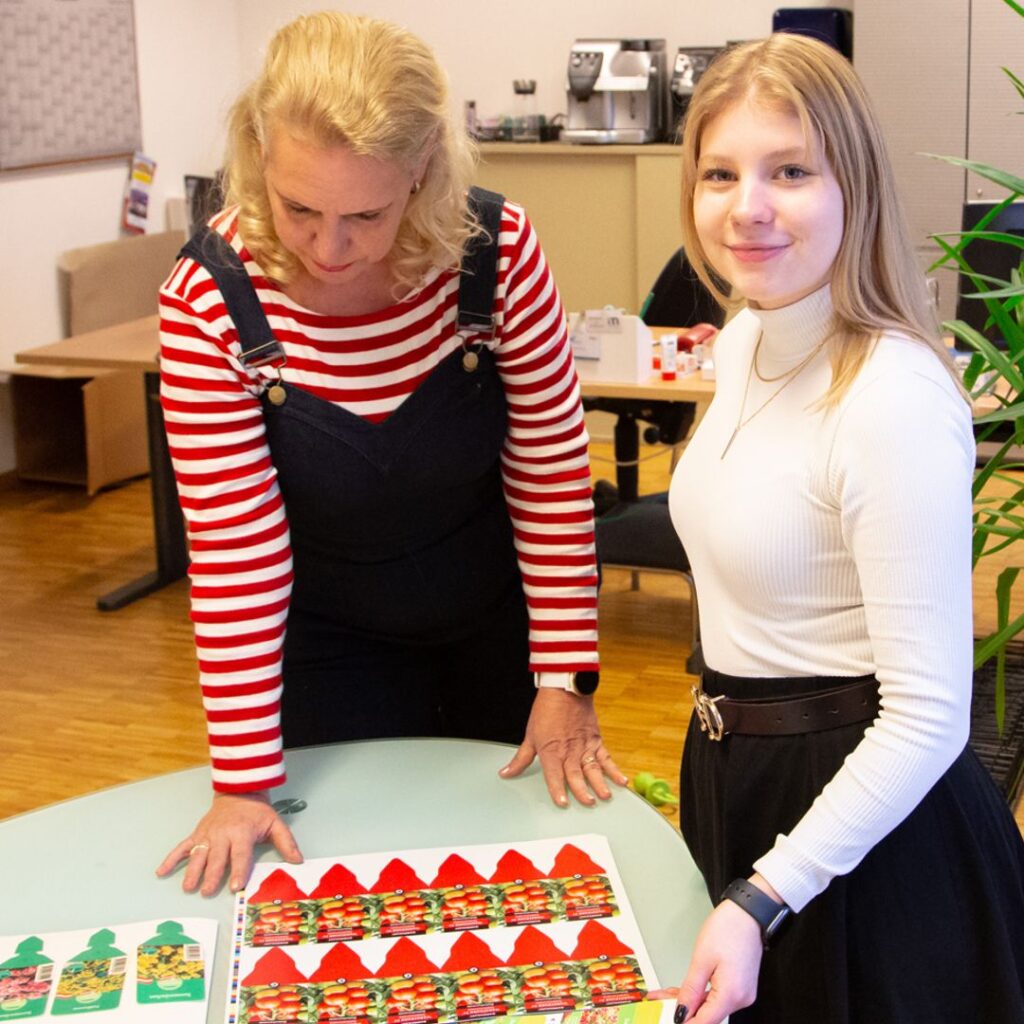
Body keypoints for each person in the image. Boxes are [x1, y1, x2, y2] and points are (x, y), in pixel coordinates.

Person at [154, 11, 625, 899]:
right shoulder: (209, 298)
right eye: (299, 209)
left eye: (366, 215)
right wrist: (241, 781)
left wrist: (565, 676)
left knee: (518, 874)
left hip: (498, 621)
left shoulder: (496, 254)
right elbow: (236, 552)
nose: (330, 250)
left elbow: (553, 476)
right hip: (329, 639)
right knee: (359, 880)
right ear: (258, 152)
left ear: (422, 172)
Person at [658, 32, 1024, 1024]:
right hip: (737, 769)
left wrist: (765, 893)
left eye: (789, 171)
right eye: (720, 172)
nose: (749, 206)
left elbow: (926, 715)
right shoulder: (742, 342)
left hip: (864, 827)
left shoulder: (890, 394)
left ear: (852, 183)